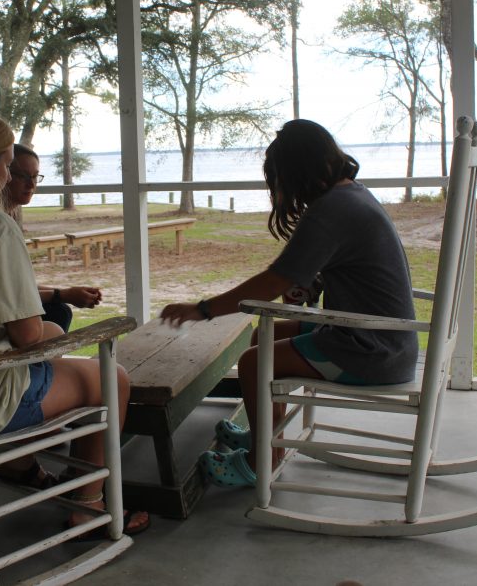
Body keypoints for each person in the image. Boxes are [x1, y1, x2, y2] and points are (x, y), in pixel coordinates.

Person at [0, 108, 148, 535]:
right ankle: (88, 506)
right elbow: (26, 334)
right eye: (7, 165)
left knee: (52, 339)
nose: (9, 176)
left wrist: (50, 330)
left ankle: (19, 466)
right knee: (114, 378)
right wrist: (53, 329)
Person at [160, 119, 418, 488]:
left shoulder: (331, 210)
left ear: (296, 172)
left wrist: (201, 310)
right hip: (380, 337)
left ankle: (260, 460)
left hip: (369, 350)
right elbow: (335, 270)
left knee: (253, 363)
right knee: (261, 341)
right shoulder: (352, 194)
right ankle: (270, 439)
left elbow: (273, 281)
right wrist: (310, 285)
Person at [3, 143, 102, 332]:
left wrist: (68, 293)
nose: (31, 184)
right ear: (4, 173)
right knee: (58, 312)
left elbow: (22, 286)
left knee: (59, 310)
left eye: (34, 177)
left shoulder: (5, 219)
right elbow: (13, 295)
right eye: (22, 176)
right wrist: (63, 294)